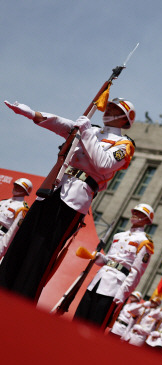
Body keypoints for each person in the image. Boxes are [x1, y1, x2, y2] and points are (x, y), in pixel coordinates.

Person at [0, 98, 136, 302]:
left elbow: (103, 163)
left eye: (115, 109)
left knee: (43, 250)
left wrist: (87, 131)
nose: (108, 110)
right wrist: (31, 114)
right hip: (53, 187)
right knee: (23, 239)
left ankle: (22, 300)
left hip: (75, 199)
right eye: (109, 106)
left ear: (125, 119)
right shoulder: (93, 129)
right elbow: (62, 124)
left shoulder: (123, 144)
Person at [73, 203, 154, 327]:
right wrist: (100, 257)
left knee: (95, 325)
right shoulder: (118, 236)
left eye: (140, 214)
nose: (136, 214)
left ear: (147, 220)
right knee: (79, 318)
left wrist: (122, 294)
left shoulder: (145, 242)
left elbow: (136, 272)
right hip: (98, 282)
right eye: (135, 212)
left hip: (114, 288)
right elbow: (109, 261)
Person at [0, 178, 32, 259]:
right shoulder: (3, 202)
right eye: (16, 186)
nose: (16, 188)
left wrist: (2, 249)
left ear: (26, 192)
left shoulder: (22, 208)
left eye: (20, 188)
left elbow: (12, 232)